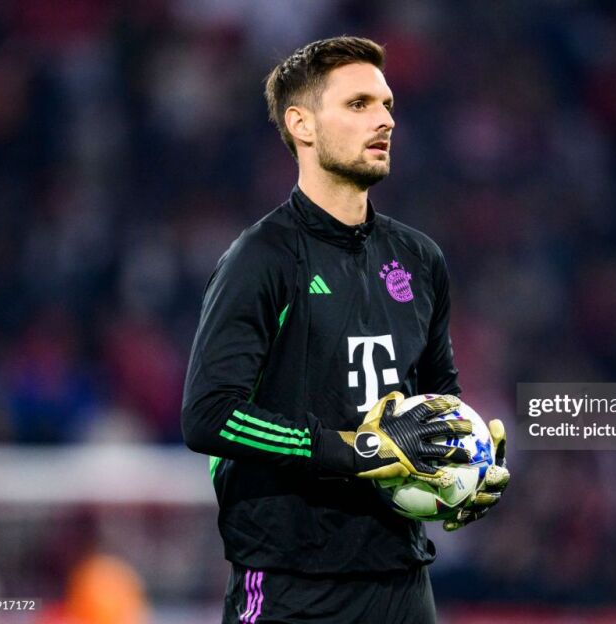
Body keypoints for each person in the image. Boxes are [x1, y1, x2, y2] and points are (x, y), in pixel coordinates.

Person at [181, 36, 509, 623]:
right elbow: (209, 414)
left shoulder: (420, 258)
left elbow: (440, 395)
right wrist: (352, 450)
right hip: (291, 586)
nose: (385, 120)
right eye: (359, 104)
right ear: (301, 125)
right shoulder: (261, 259)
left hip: (403, 581)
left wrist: (464, 464)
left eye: (387, 105)